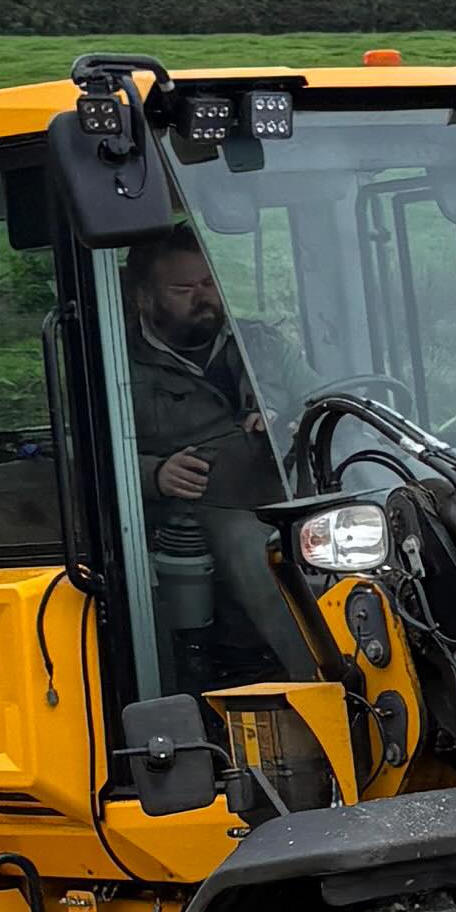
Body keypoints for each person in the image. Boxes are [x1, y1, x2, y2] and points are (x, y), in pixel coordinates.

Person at [124, 227, 315, 681]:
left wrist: (285, 422)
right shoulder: (117, 361)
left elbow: (321, 403)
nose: (202, 297)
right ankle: (322, 681)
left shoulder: (260, 343)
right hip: (199, 505)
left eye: (208, 284)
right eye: (183, 289)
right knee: (259, 551)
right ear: (145, 297)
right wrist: (154, 474)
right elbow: (84, 458)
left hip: (288, 486)